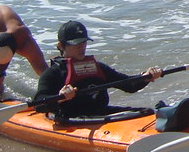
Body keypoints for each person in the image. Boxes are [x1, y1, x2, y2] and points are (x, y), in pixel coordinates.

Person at [33, 20, 163, 120]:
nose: (82, 47)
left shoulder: (97, 67)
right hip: (71, 117)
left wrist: (146, 76)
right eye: (76, 43)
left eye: (84, 42)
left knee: (147, 112)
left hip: (101, 113)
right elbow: (39, 104)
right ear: (61, 46)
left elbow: (129, 85)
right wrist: (60, 97)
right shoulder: (53, 73)